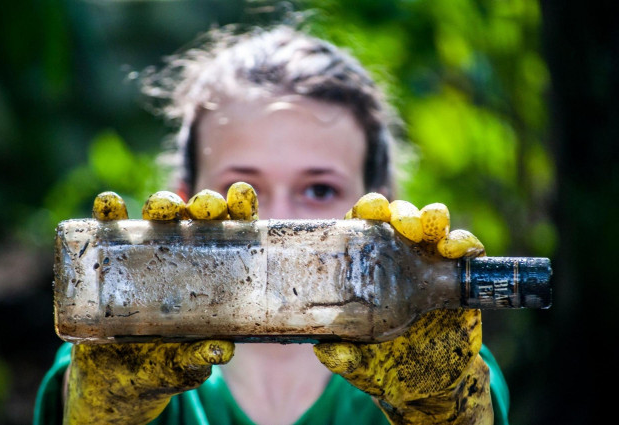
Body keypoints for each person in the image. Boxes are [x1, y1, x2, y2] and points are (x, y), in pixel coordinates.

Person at [34, 25, 510, 425]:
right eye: (240, 187)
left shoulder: (442, 365)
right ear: (181, 202)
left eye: (319, 190)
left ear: (382, 212)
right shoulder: (117, 352)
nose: (278, 221)